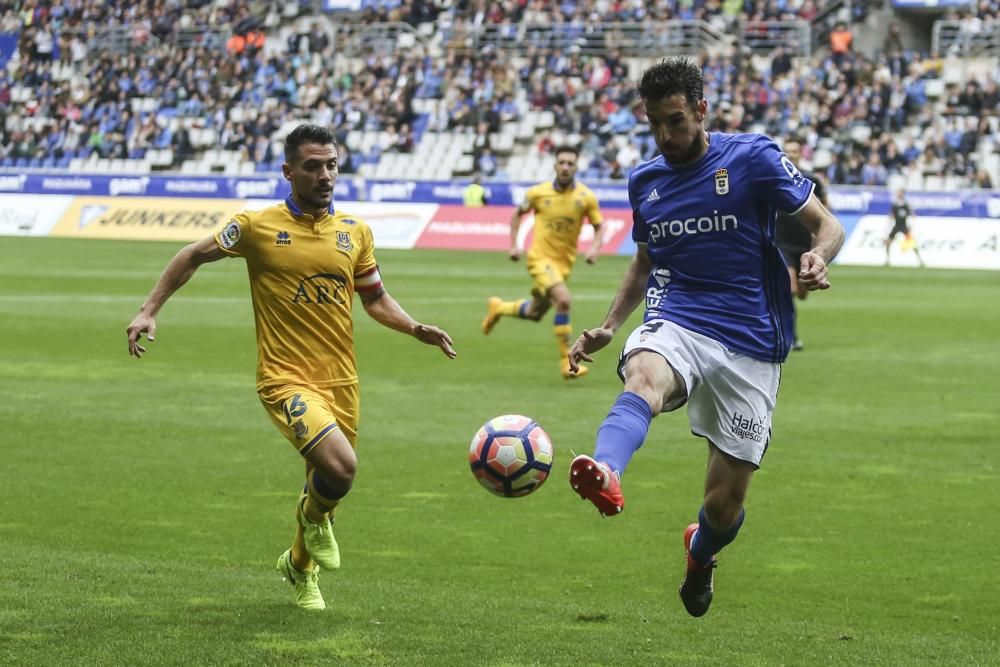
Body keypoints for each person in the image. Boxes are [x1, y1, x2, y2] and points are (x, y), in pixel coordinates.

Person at [125, 124, 456, 611]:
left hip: (341, 380)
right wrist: (149, 308)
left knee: (327, 486)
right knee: (341, 470)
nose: (325, 175)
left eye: (331, 165)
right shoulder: (256, 227)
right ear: (288, 171)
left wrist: (413, 328)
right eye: (312, 166)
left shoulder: (354, 232)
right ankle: (312, 520)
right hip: (285, 378)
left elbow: (375, 298)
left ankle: (300, 569)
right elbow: (192, 255)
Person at [565, 58, 844, 618]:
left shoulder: (753, 157)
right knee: (645, 373)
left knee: (723, 507)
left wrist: (817, 255)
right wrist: (610, 325)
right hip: (680, 317)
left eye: (675, 121)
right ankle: (607, 470)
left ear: (700, 111)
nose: (666, 136)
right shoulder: (645, 181)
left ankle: (700, 554)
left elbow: (826, 225)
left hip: (751, 342)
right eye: (655, 125)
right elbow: (646, 260)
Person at [481, 144, 605, 380]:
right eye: (562, 163)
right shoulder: (538, 193)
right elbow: (518, 214)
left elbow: (599, 227)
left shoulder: (586, 197)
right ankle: (565, 362)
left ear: (576, 166)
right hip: (540, 259)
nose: (566, 167)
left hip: (563, 264)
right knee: (564, 300)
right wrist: (514, 244)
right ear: (555, 165)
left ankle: (499, 308)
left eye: (570, 163)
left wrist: (594, 249)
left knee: (535, 312)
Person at [775, 137, 831, 351]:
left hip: (805, 244)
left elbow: (826, 211)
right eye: (787, 151)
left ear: (801, 154)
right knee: (789, 287)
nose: (791, 154)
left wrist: (820, 238)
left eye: (795, 151)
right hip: (781, 242)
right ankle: (791, 337)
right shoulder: (774, 178)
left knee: (801, 292)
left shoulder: (811, 179)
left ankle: (790, 333)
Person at [885, 189, 925, 267]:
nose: (898, 194)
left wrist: (912, 225)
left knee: (912, 244)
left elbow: (912, 214)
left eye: (899, 193)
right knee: (888, 242)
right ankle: (887, 260)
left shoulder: (906, 204)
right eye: (898, 193)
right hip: (896, 226)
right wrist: (888, 225)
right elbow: (891, 215)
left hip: (904, 226)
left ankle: (920, 261)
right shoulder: (895, 204)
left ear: (903, 194)